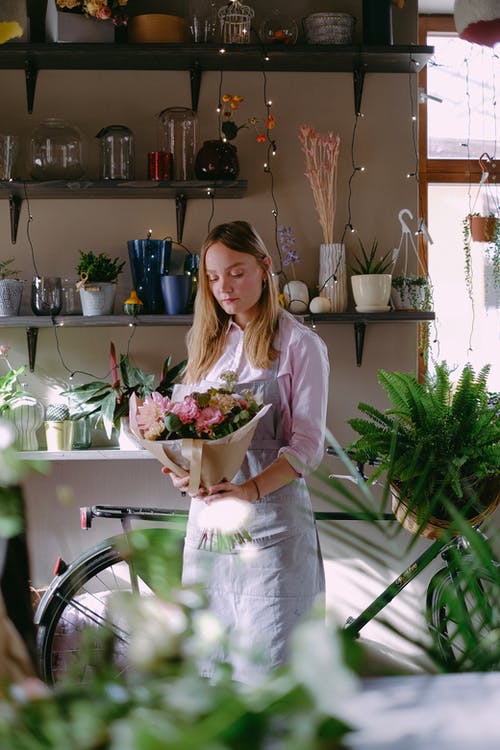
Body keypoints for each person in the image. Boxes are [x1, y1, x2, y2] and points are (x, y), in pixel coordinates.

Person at [164, 220, 330, 683]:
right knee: (210, 671)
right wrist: (183, 472)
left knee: (271, 674)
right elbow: (183, 433)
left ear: (264, 266)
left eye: (236, 273)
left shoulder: (300, 345)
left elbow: (307, 447)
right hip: (209, 530)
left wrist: (250, 490)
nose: (224, 288)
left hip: (272, 531)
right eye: (213, 277)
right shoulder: (206, 348)